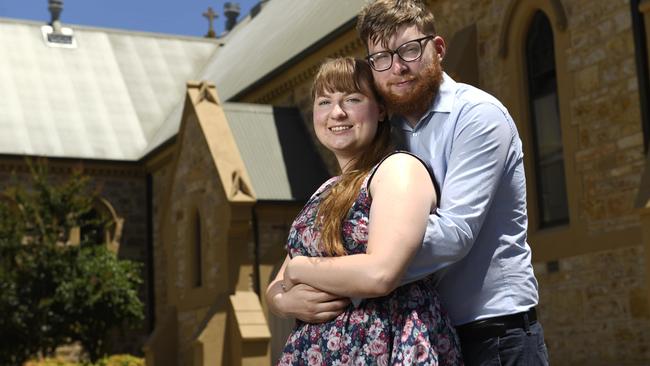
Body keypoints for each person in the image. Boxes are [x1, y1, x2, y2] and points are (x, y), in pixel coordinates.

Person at [271, 1, 550, 365]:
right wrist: (280, 296)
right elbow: (315, 243)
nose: (398, 67)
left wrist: (330, 269)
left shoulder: (478, 117)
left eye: (410, 50)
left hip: (491, 331)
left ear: (438, 49)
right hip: (419, 329)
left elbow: (454, 233)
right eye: (382, 57)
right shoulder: (385, 134)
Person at [266, 57, 463, 365]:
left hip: (386, 343)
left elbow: (380, 274)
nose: (337, 112)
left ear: (381, 109)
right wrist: (283, 301)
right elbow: (277, 284)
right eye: (324, 101)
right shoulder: (325, 190)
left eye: (352, 99)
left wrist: (300, 269)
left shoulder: (397, 170)